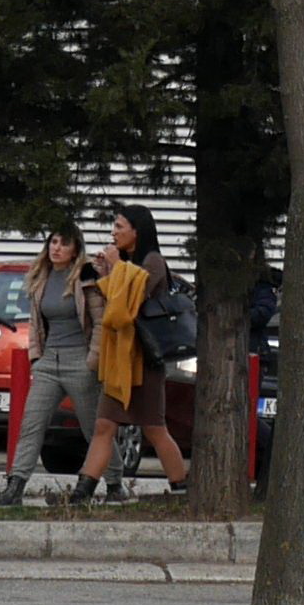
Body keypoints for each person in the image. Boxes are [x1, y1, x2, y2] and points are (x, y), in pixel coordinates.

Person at [0, 224, 104, 506]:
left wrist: (93, 359)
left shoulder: (85, 276)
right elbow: (36, 322)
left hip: (79, 361)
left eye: (64, 243)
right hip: (48, 362)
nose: (56, 248)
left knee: (95, 429)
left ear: (75, 249)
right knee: (32, 422)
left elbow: (100, 321)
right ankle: (14, 488)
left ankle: (115, 483)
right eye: (53, 242)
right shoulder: (42, 276)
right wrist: (35, 357)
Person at [89, 202, 190, 500]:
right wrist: (108, 270)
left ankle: (180, 487)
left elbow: (124, 309)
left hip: (145, 360)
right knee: (104, 425)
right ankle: (82, 491)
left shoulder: (153, 262)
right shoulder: (126, 262)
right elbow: (112, 302)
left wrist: (116, 268)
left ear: (137, 231)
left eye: (119, 227)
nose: (114, 233)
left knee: (154, 428)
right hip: (121, 359)